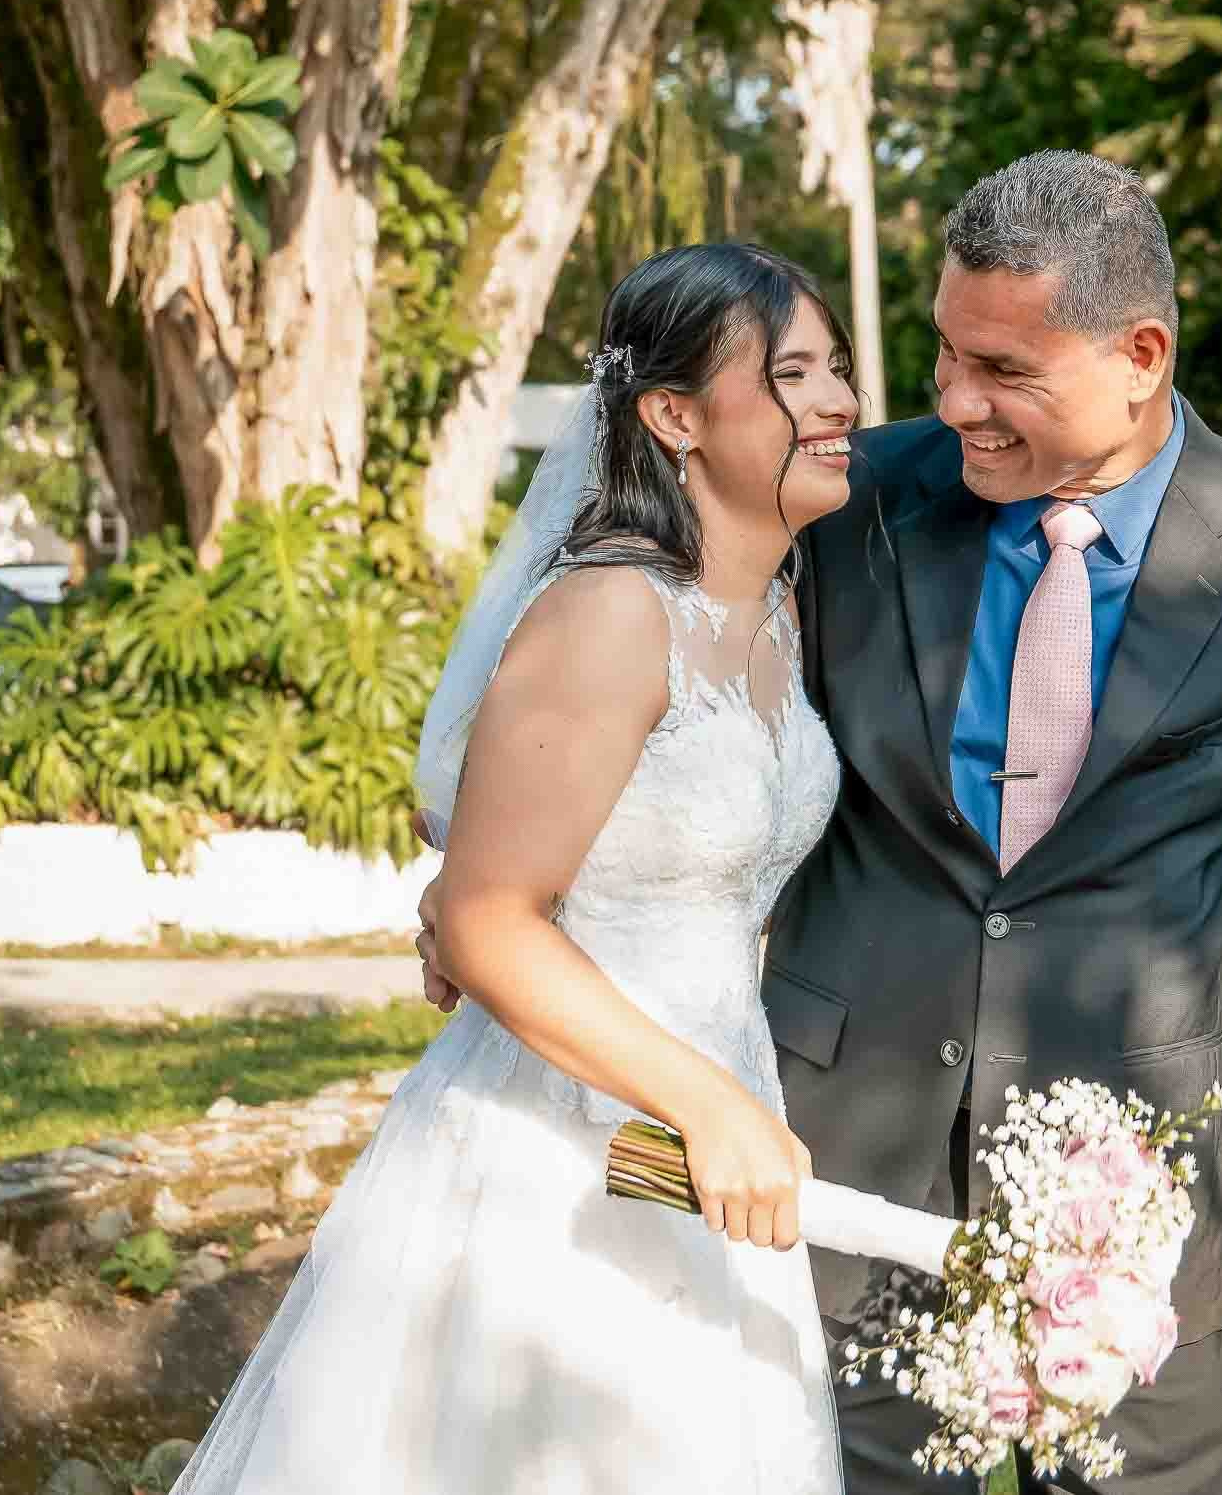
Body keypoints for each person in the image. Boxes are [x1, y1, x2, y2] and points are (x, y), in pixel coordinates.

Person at [420, 150, 1222, 1494]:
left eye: (1006, 372)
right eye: (946, 351)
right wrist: (473, 892)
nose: (954, 402)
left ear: (1142, 355)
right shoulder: (843, 496)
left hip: (1133, 1192)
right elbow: (629, 673)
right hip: (829, 1159)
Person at [173, 242, 861, 1495]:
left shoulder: (777, 609)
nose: (839, 403)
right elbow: (491, 921)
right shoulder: (610, 612)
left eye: (838, 368)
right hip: (561, 1144)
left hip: (718, 1115)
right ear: (673, 415)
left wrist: (725, 1106)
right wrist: (705, 1104)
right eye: (793, 373)